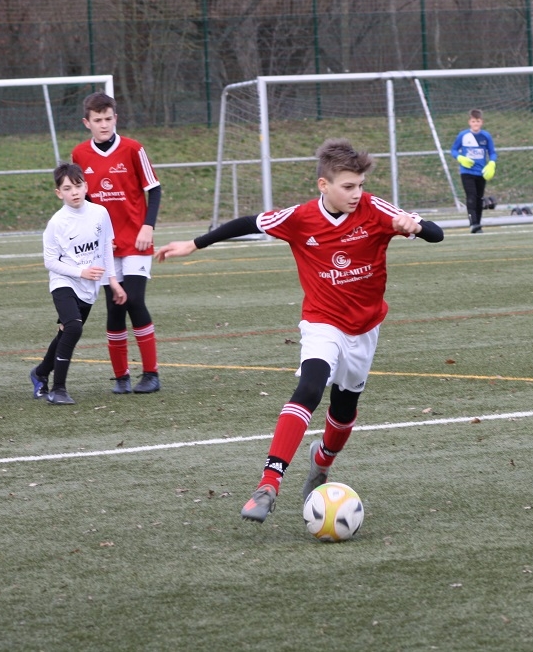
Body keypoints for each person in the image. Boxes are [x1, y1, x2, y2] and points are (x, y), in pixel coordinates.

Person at [155, 139, 445, 523]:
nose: (356, 193)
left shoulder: (376, 209)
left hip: (364, 328)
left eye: (360, 185)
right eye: (348, 186)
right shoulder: (299, 218)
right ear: (324, 185)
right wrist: (194, 244)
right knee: (309, 387)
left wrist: (417, 226)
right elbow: (249, 223)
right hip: (322, 322)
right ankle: (268, 484)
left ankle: (321, 462)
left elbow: (437, 234)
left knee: (344, 411)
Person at [71, 92, 161, 395]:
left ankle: (151, 374)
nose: (104, 124)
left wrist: (148, 226)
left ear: (115, 118)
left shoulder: (134, 149)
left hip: (136, 240)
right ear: (87, 123)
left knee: (133, 299)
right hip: (104, 246)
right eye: (98, 120)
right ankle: (121, 377)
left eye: (108, 118)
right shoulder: (79, 154)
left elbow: (154, 190)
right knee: (114, 306)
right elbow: (81, 201)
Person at [30, 164, 127, 405]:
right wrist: (81, 272)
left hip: (89, 286)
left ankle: (40, 372)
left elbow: (106, 247)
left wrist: (113, 281)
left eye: (77, 186)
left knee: (66, 331)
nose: (73, 192)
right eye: (67, 188)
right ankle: (58, 390)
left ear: (86, 186)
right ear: (58, 193)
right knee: (73, 328)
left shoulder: (100, 213)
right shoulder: (57, 223)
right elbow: (50, 262)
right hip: (64, 281)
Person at [450, 108, 497, 234]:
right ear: (469, 122)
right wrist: (460, 158)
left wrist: (492, 163)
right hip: (467, 172)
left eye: (478, 121)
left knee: (479, 198)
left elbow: (492, 152)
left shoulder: (486, 136)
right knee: (471, 197)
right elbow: (454, 150)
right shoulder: (463, 135)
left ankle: (478, 225)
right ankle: (473, 223)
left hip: (481, 172)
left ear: (482, 122)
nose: (475, 124)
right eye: (473, 121)